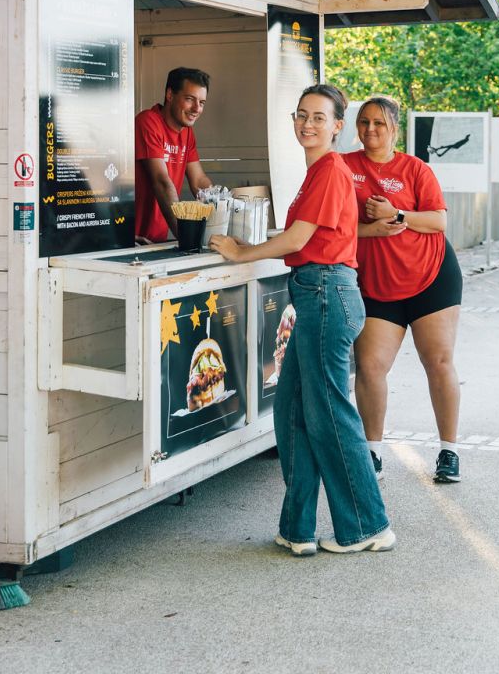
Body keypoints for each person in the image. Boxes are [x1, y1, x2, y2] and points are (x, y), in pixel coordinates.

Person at [209, 84, 394, 556]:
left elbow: (297, 240)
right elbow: (302, 237)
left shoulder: (330, 170)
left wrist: (243, 253)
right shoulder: (318, 171)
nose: (307, 124)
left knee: (330, 414)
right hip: (317, 295)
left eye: (318, 117)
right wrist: (256, 246)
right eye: (301, 115)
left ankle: (368, 525)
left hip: (327, 295)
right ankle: (298, 529)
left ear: (337, 127)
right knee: (293, 411)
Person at [342, 95, 463, 484]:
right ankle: (372, 452)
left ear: (394, 128)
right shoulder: (344, 167)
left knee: (438, 361)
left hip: (431, 277)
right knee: (370, 366)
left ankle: (448, 451)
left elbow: (438, 221)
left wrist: (396, 214)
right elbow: (333, 224)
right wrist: (371, 229)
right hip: (378, 283)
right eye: (364, 122)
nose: (370, 129)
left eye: (379, 123)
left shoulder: (415, 169)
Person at [134, 67, 212, 243]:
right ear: (170, 95)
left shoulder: (187, 133)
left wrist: (222, 206)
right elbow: (161, 181)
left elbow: (199, 181)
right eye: (189, 99)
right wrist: (186, 237)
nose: (196, 108)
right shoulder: (148, 121)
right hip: (134, 239)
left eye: (202, 102)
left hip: (157, 240)